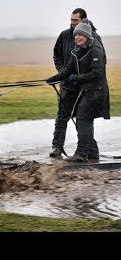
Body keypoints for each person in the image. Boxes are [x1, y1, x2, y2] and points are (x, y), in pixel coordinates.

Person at [46, 20, 110, 162]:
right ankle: (92, 154)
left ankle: (81, 154)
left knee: (82, 120)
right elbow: (68, 70)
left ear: (87, 36)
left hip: (96, 92)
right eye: (76, 35)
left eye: (80, 35)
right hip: (86, 91)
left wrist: (77, 78)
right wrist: (53, 79)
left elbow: (97, 73)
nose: (77, 37)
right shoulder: (77, 50)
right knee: (84, 121)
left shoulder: (95, 50)